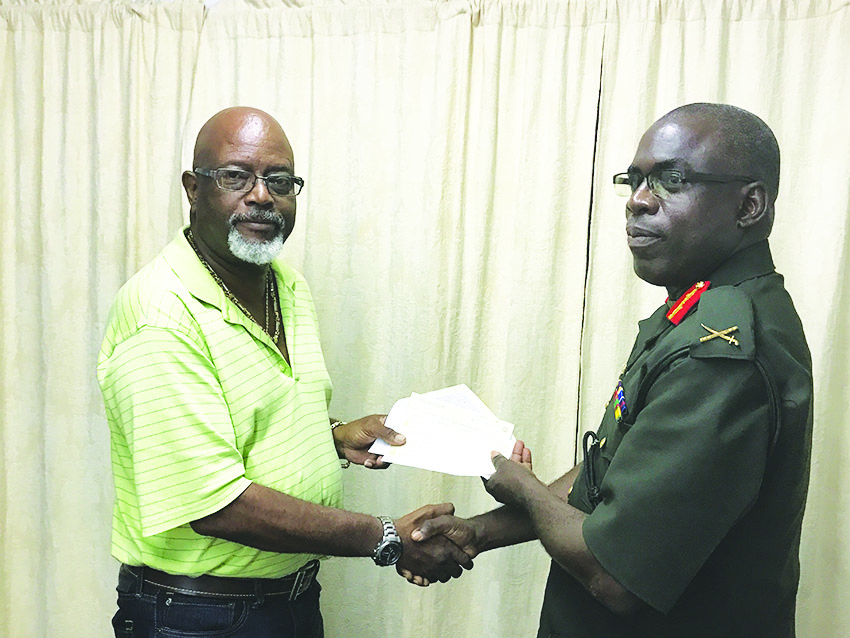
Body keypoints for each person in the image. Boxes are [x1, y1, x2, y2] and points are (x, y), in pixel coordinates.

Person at [410, 103, 813, 638]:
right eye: (636, 179)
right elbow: (615, 470)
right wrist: (478, 533)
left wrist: (523, 487)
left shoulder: (721, 355)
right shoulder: (698, 312)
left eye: (672, 180)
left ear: (750, 206)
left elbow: (616, 575)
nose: (639, 201)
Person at [97, 106, 472, 638]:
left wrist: (331, 437)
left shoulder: (286, 286)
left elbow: (246, 426)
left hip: (292, 600)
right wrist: (386, 535)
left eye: (279, 181)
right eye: (235, 176)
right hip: (197, 616)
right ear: (192, 188)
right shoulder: (159, 315)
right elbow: (215, 504)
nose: (261, 195)